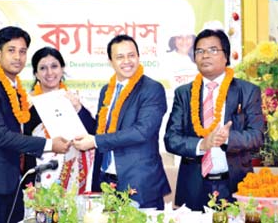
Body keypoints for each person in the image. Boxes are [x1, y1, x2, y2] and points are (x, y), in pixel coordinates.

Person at [0, 26, 70, 223]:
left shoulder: (16, 90)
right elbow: (0, 135)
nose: (17, 57)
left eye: (22, 51)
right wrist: (49, 144)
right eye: (11, 50)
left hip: (12, 184)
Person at [164, 29, 265, 211]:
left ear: (226, 56)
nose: (205, 56)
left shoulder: (247, 91)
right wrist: (202, 144)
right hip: (194, 187)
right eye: (200, 51)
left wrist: (226, 139)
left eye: (212, 50)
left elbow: (257, 136)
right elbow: (171, 139)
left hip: (234, 186)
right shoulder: (184, 94)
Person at [68, 34, 170, 210]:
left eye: (131, 55)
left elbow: (142, 131)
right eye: (120, 57)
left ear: (138, 56)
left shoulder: (152, 89)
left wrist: (95, 141)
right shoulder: (106, 90)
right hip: (107, 182)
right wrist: (79, 109)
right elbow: (100, 132)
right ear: (111, 61)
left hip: (139, 184)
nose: (127, 61)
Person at [23, 46, 90, 193]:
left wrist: (78, 108)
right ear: (36, 73)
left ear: (62, 69)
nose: (49, 73)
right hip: (39, 173)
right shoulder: (27, 105)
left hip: (71, 173)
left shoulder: (74, 99)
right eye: (43, 68)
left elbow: (93, 132)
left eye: (54, 66)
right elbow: (23, 143)